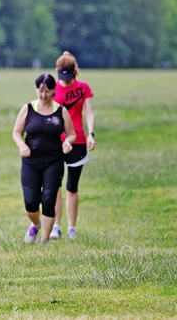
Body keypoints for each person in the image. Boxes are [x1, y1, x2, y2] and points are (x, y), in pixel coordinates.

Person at [13, 73, 76, 245]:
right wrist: (22, 145)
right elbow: (17, 132)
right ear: (36, 90)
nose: (43, 95)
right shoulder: (28, 109)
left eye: (47, 91)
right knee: (31, 202)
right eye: (40, 91)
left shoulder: (60, 111)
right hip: (30, 161)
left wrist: (68, 143)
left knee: (48, 199)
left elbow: (71, 134)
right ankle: (35, 224)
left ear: (54, 90)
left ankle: (45, 240)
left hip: (53, 160)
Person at [50, 51, 96, 240]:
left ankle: (72, 228)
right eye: (63, 77)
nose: (66, 82)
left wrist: (91, 134)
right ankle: (55, 226)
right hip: (57, 141)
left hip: (78, 141)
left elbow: (89, 113)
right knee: (56, 186)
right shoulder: (52, 88)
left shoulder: (83, 87)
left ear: (74, 72)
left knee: (72, 187)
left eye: (69, 77)